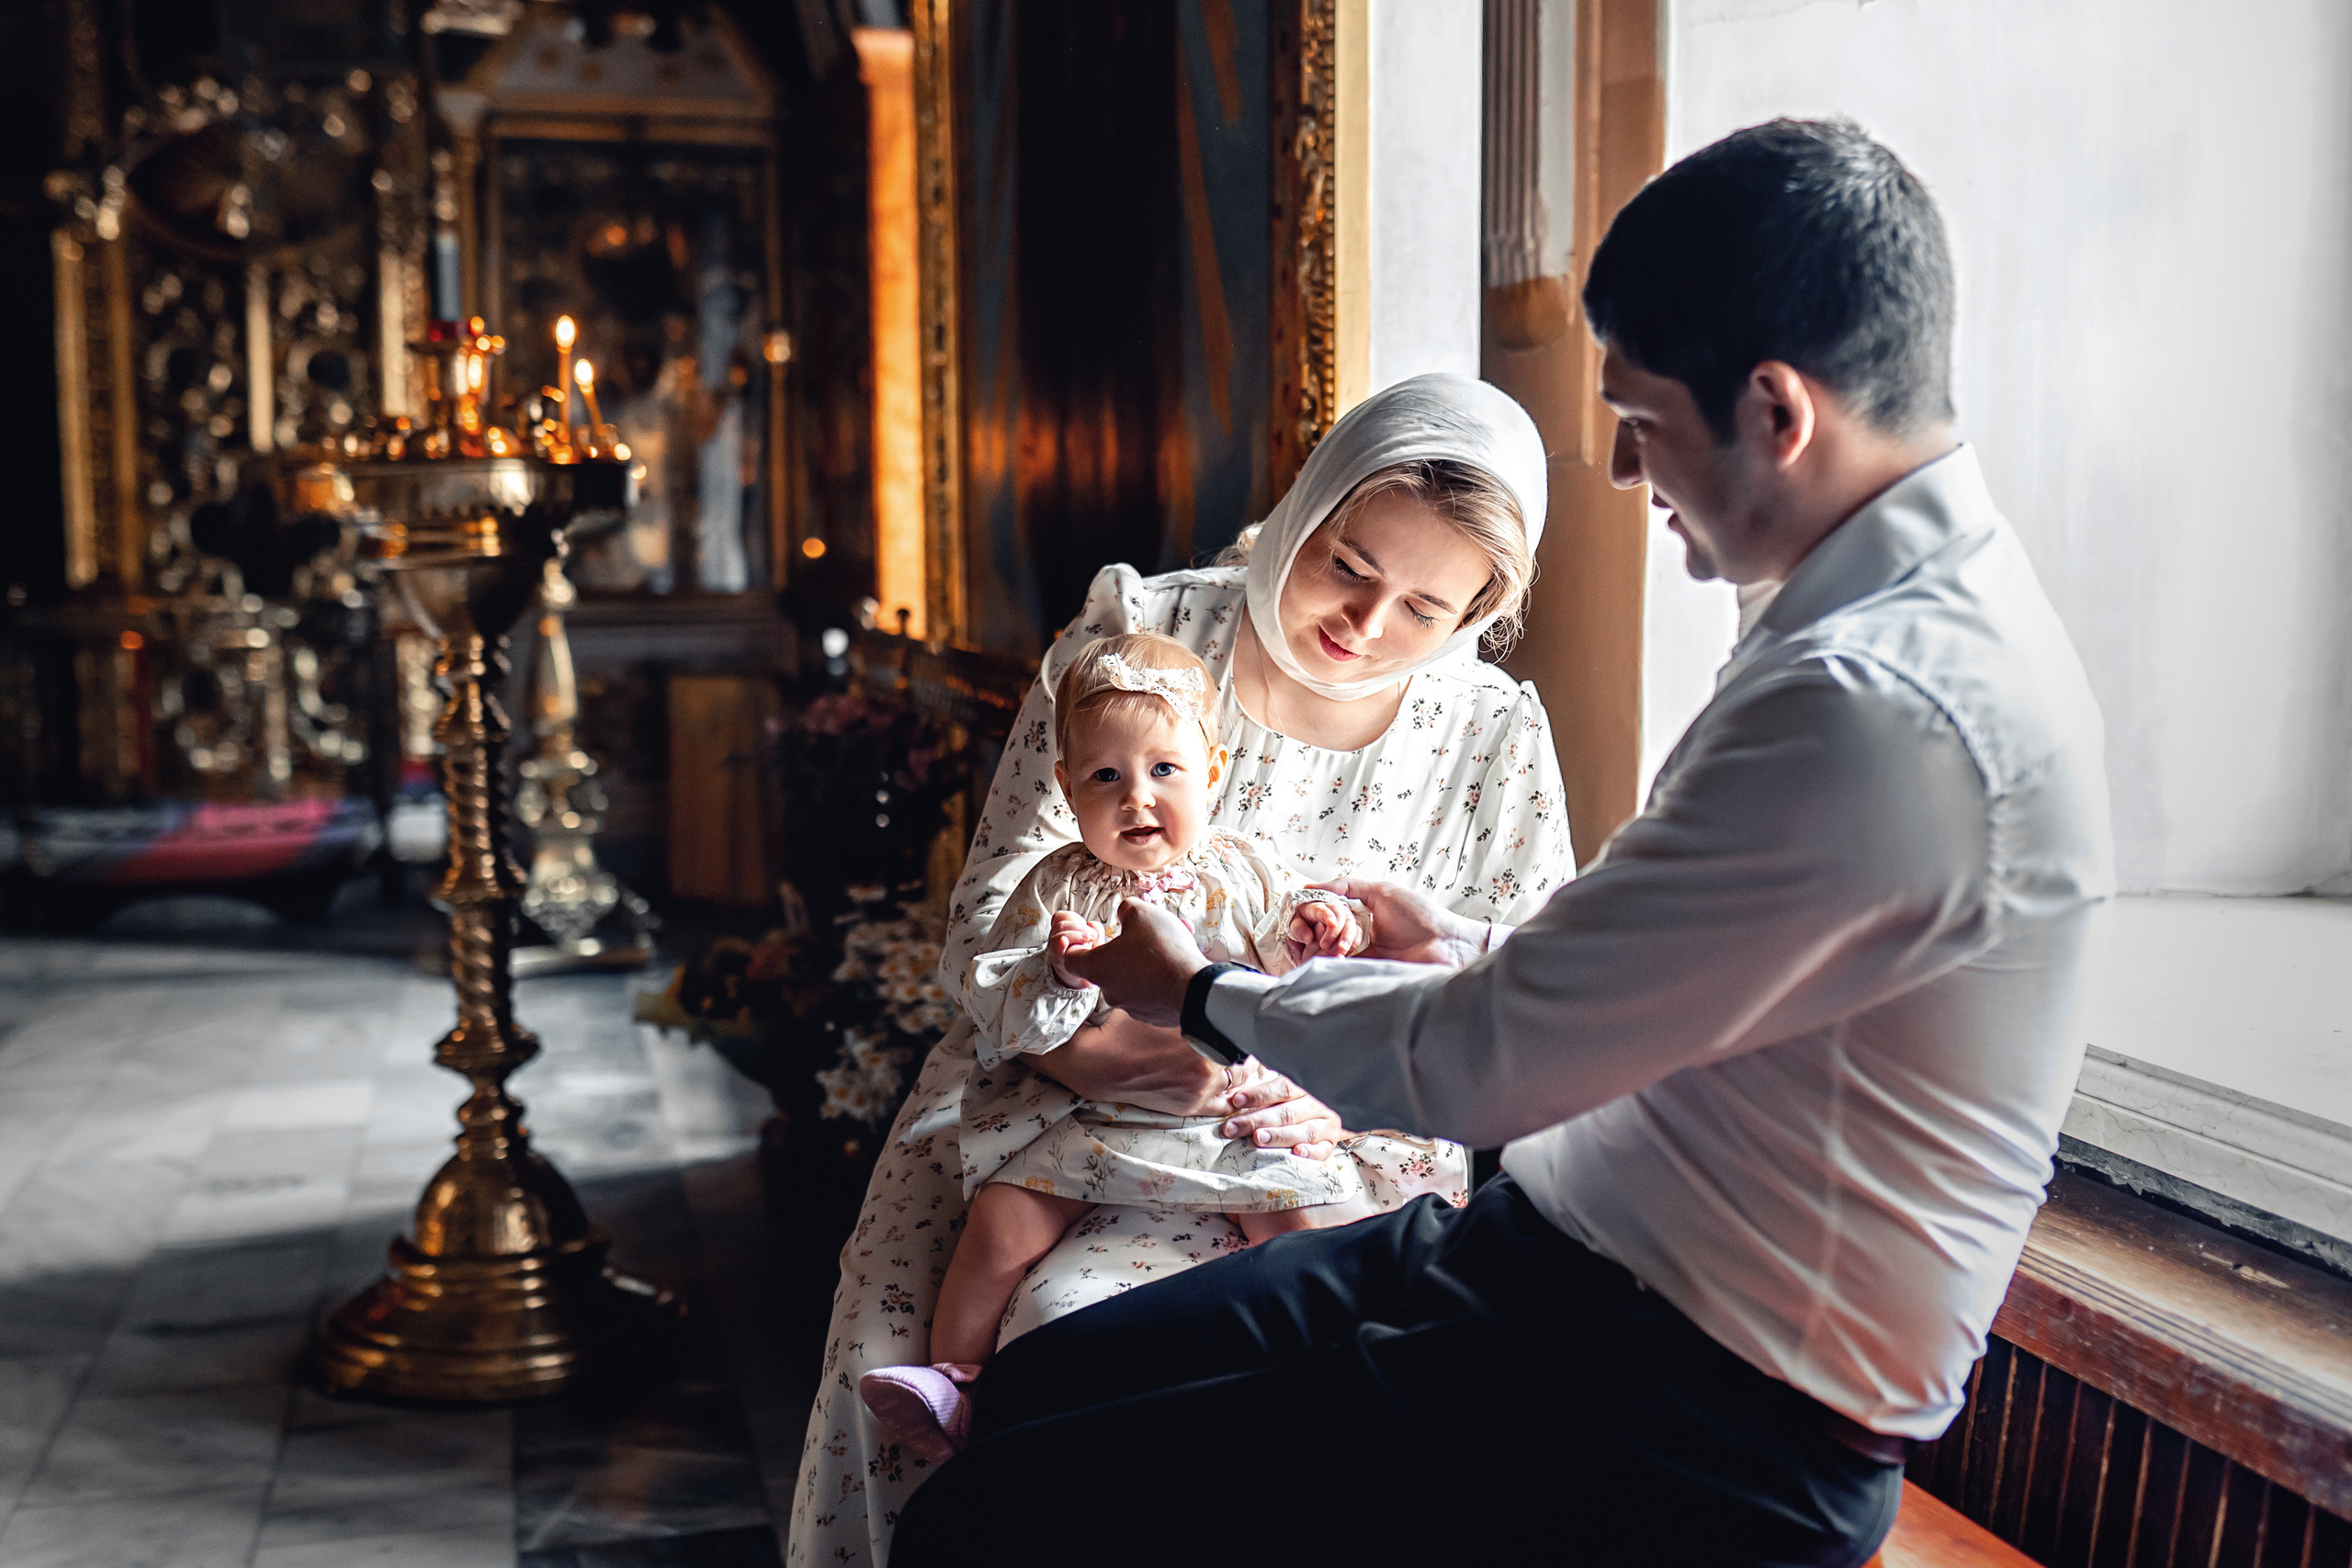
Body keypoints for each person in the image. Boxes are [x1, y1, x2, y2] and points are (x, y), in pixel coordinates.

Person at [891, 118, 2115, 1568]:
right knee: (1042, 1383)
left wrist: (1201, 997)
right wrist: (1469, 941)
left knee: (997, 1517)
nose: (1610, 460)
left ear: (1778, 411)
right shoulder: (1867, 625)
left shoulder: (1876, 704)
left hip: (1688, 1401)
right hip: (1551, 1265)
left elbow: (1486, 1062)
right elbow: (1688, 981)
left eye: (1643, 418)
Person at [787, 372, 1577, 1566]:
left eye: (1423, 608)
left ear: (1473, 616)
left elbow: (1513, 1002)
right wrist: (1103, 1048)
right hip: (1055, 1080)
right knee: (902, 1324)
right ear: (1307, 504)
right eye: (1349, 565)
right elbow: (995, 926)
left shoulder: (1490, 733)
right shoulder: (1143, 639)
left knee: (1191, 1373)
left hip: (1333, 1122)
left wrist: (1324, 1075)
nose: (1364, 624)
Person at [858, 633, 1381, 1461]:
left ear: (1211, 772)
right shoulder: (1059, 886)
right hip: (1095, 1112)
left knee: (1296, 1217)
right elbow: (1010, 1019)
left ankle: (1349, 1360)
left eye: (1164, 770)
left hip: (1225, 1115)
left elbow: (1287, 960)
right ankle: (954, 1383)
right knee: (1001, 1223)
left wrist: (1322, 930)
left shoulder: (1242, 868)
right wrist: (1062, 972)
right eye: (1106, 776)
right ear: (1067, 788)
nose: (1137, 798)